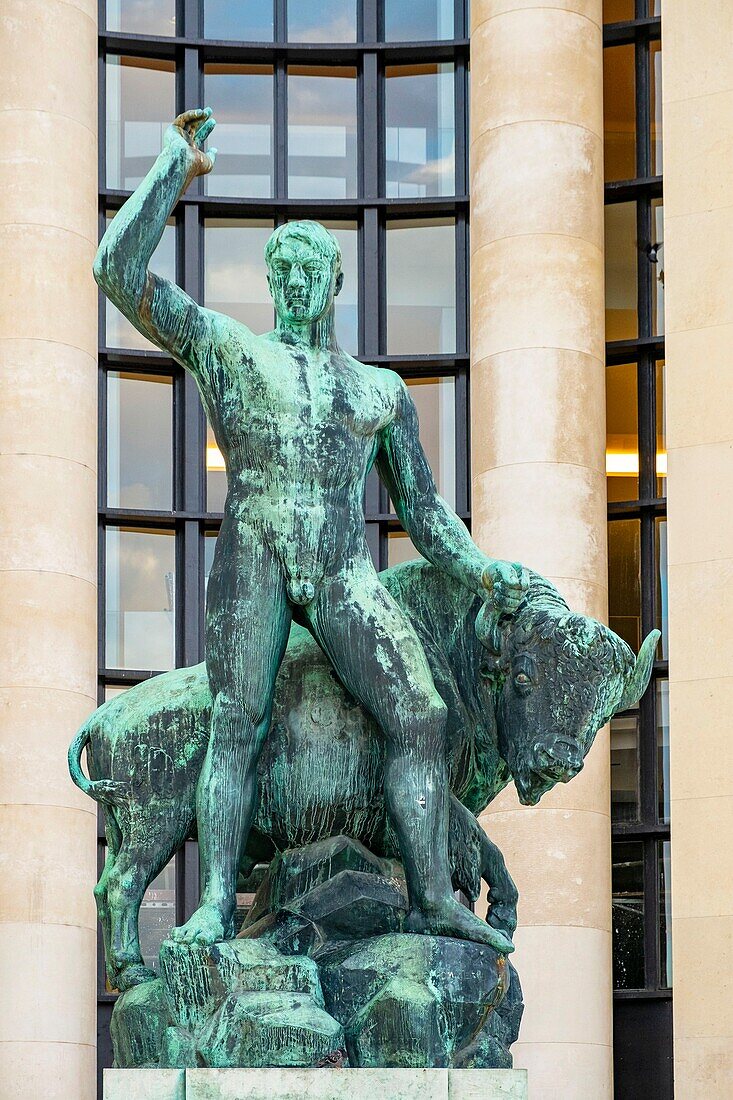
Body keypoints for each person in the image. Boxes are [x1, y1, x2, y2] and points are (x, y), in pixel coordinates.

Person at [94, 108, 527, 949]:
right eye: (281, 270)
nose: (295, 283)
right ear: (271, 283)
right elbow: (117, 270)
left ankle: (433, 896)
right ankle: (218, 899)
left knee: (422, 716)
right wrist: (169, 173)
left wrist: (482, 573)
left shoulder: (378, 391)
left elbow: (428, 517)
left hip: (338, 566)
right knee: (235, 722)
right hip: (253, 549)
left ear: (335, 284)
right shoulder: (231, 350)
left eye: (310, 269)